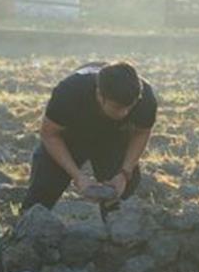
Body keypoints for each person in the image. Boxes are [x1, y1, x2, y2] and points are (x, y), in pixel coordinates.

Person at [21, 61, 158, 219]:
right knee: (42, 191)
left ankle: (115, 236)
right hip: (70, 136)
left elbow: (142, 132)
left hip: (114, 137)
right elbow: (49, 134)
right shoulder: (69, 92)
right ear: (100, 95)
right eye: (118, 107)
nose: (125, 113)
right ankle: (25, 233)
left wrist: (124, 174)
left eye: (130, 107)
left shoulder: (144, 97)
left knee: (121, 197)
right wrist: (78, 177)